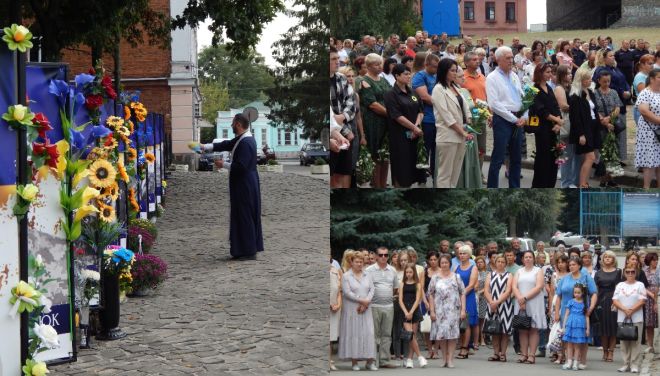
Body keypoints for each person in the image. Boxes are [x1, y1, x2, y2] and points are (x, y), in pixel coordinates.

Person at [198, 114, 263, 260]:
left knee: (244, 215)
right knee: (241, 214)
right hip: (244, 182)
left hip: (245, 183)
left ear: (238, 124)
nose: (232, 125)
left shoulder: (246, 142)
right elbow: (227, 144)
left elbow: (241, 167)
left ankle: (248, 250)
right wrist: (205, 146)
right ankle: (242, 249)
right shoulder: (243, 138)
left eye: (233, 123)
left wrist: (223, 165)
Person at [486, 46, 526, 188]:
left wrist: (525, 116)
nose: (511, 60)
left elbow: (523, 97)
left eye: (511, 57)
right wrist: (514, 119)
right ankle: (492, 187)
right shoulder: (492, 78)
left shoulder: (514, 76)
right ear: (498, 60)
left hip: (518, 119)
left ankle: (514, 187)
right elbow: (494, 104)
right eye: (507, 58)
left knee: (516, 158)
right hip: (503, 120)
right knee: (498, 157)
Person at [432, 58, 473, 187]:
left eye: (456, 70)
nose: (455, 73)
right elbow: (446, 116)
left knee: (455, 174)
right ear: (444, 71)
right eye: (452, 71)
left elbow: (465, 107)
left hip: (461, 135)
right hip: (448, 136)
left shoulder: (456, 87)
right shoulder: (438, 89)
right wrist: (463, 132)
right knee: (445, 175)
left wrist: (470, 123)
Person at [384, 64, 424, 188]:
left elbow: (421, 110)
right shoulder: (391, 94)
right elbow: (397, 116)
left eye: (409, 73)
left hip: (415, 135)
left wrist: (417, 126)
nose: (409, 76)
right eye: (405, 74)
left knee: (414, 167)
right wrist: (413, 128)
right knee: (402, 168)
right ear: (397, 76)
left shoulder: (412, 91)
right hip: (399, 136)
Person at [554, 257, 598, 369]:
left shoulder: (586, 277)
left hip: (581, 312)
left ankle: (581, 361)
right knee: (568, 337)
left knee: (581, 338)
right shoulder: (565, 278)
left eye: (573, 264)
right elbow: (558, 296)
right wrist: (556, 313)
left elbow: (594, 293)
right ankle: (569, 360)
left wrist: (591, 308)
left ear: (579, 266)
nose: (571, 266)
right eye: (570, 265)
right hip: (566, 311)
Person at [338, 252, 377, 371]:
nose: (359, 264)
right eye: (357, 262)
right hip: (352, 309)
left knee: (368, 333)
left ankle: (370, 361)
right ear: (351, 263)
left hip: (366, 309)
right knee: (354, 333)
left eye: (361, 262)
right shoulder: (346, 276)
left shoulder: (368, 274)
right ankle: (354, 362)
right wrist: (362, 301)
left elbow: (372, 289)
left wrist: (366, 302)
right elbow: (347, 292)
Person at [569, 67, 607, 188]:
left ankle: (585, 182)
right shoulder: (576, 96)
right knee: (590, 157)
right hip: (584, 129)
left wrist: (602, 123)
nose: (590, 80)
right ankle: (582, 184)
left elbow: (594, 110)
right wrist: (580, 134)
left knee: (590, 157)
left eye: (590, 78)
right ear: (580, 80)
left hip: (593, 127)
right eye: (587, 78)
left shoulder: (590, 92)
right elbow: (575, 118)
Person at [428, 254, 466, 369]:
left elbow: (462, 293)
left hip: (453, 311)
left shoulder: (456, 277)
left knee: (453, 336)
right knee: (442, 336)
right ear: (440, 264)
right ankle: (444, 358)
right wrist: (432, 311)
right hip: (440, 311)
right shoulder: (435, 277)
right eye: (442, 263)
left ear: (450, 263)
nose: (444, 264)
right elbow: (430, 294)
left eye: (446, 262)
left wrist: (463, 310)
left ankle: (450, 359)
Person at [593, 49, 632, 161]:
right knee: (608, 136)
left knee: (620, 131)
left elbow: (624, 80)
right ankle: (608, 162)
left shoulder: (615, 68)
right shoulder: (600, 70)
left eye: (614, 55)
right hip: (607, 106)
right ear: (603, 58)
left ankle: (620, 158)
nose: (613, 57)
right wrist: (621, 92)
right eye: (610, 56)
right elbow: (609, 85)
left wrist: (628, 90)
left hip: (620, 104)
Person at [359, 54, 391, 188]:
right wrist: (392, 114)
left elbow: (392, 95)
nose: (380, 66)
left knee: (385, 155)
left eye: (380, 64)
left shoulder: (384, 80)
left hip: (387, 123)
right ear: (369, 66)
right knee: (375, 154)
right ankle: (376, 185)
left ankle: (383, 185)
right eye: (377, 64)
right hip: (373, 122)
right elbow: (372, 104)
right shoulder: (364, 81)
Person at [529, 63, 563, 187]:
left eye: (550, 72)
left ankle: (550, 184)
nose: (550, 74)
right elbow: (541, 111)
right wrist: (557, 120)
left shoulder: (549, 87)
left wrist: (558, 121)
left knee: (554, 158)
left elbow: (555, 106)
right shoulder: (535, 89)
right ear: (540, 73)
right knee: (543, 159)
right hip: (542, 129)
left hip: (554, 128)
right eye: (547, 72)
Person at [365, 246, 399, 369]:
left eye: (385, 255)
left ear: (388, 256)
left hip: (389, 306)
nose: (383, 257)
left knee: (386, 335)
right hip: (374, 306)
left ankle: (384, 360)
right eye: (381, 255)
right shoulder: (369, 270)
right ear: (376, 256)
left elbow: (395, 287)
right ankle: (371, 361)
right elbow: (365, 288)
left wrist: (389, 296)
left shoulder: (392, 270)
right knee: (373, 334)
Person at [512, 250, 547, 364]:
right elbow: (514, 286)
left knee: (533, 329)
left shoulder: (538, 270)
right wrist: (520, 298)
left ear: (533, 258)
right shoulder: (519, 271)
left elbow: (539, 286)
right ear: (522, 259)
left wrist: (525, 298)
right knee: (522, 329)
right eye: (526, 257)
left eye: (530, 257)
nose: (528, 259)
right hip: (521, 302)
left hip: (534, 302)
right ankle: (523, 354)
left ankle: (532, 355)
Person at [613, 263, 648, 373]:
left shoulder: (640, 285)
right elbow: (615, 300)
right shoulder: (620, 285)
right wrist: (624, 310)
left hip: (636, 317)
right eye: (628, 272)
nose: (630, 274)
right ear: (624, 273)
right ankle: (625, 363)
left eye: (632, 272)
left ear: (636, 273)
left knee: (636, 342)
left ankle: (634, 364)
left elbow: (642, 300)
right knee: (624, 342)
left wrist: (631, 310)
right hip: (622, 317)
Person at [412, 53, 440, 185]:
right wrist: (443, 105)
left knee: (437, 151)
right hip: (427, 119)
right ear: (426, 64)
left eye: (437, 67)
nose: (436, 69)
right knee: (425, 151)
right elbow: (424, 97)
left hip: (438, 119)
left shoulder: (436, 75)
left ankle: (436, 178)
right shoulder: (420, 76)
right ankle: (421, 180)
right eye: (434, 67)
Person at [330, 47, 356, 187]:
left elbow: (351, 103)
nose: (337, 62)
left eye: (337, 59)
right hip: (329, 131)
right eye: (333, 59)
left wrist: (343, 116)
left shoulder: (342, 79)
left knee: (345, 170)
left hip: (344, 126)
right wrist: (335, 121)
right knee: (332, 172)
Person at [594, 70, 623, 187]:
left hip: (613, 125)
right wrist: (604, 121)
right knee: (604, 153)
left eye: (608, 81)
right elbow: (594, 110)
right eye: (604, 81)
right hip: (601, 126)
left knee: (614, 153)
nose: (607, 83)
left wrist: (609, 118)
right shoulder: (595, 93)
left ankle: (610, 178)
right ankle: (602, 179)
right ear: (599, 81)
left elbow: (618, 108)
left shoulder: (614, 92)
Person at [595, 250, 623, 363]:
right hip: (601, 301)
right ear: (602, 259)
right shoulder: (598, 273)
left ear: (613, 259)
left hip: (613, 301)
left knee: (612, 327)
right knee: (602, 328)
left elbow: (619, 288)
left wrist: (616, 302)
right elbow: (596, 290)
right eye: (605, 257)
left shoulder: (618, 272)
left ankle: (611, 351)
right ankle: (605, 351)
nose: (607, 258)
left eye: (609, 257)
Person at [485, 254, 514, 362]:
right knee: (494, 330)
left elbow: (508, 291)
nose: (500, 263)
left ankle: (503, 353)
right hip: (492, 305)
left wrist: (497, 302)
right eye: (498, 261)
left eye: (503, 262)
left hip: (505, 305)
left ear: (505, 263)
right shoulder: (490, 274)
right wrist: (492, 303)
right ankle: (496, 353)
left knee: (504, 331)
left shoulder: (509, 275)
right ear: (495, 263)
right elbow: (486, 290)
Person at [634, 68, 660, 188]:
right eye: (659, 77)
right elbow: (644, 111)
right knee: (649, 162)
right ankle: (647, 190)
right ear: (652, 79)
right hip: (648, 131)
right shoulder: (645, 92)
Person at [398, 263, 427, 368]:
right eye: (407, 272)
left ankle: (410, 359)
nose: (409, 274)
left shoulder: (418, 284)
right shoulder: (402, 284)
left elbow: (418, 299)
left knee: (413, 336)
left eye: (410, 272)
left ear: (414, 272)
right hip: (405, 310)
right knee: (410, 335)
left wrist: (411, 312)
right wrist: (406, 312)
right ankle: (420, 356)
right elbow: (400, 299)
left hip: (414, 310)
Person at [454, 245, 478, 359]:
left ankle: (465, 348)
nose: (461, 255)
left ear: (469, 255)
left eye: (464, 253)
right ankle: (462, 344)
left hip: (468, 298)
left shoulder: (473, 267)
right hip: (458, 298)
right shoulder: (456, 267)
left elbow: (472, 285)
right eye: (460, 253)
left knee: (466, 323)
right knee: (460, 324)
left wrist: (461, 294)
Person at [561, 284, 590, 371]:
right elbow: (566, 314)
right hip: (571, 324)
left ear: (582, 293)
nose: (576, 294)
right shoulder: (571, 302)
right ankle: (569, 362)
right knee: (569, 344)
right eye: (575, 292)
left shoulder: (585, 303)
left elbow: (587, 316)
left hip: (580, 325)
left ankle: (575, 363)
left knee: (577, 345)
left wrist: (588, 328)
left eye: (578, 292)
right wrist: (564, 326)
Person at [422, 251, 441, 359]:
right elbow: (421, 288)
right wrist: (424, 301)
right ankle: (429, 350)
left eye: (435, 259)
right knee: (427, 327)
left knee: (438, 327)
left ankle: (437, 350)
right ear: (428, 261)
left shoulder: (442, 271)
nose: (433, 261)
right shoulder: (425, 272)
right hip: (426, 302)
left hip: (439, 302)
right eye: (431, 260)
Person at [643, 253, 658, 354]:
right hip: (647, 298)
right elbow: (642, 285)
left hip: (657, 297)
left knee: (656, 322)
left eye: (656, 260)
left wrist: (656, 297)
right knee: (649, 324)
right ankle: (650, 345)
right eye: (653, 260)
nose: (655, 262)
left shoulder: (659, 271)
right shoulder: (645, 271)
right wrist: (651, 295)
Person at [632, 54, 654, 124]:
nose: (652, 65)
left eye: (653, 63)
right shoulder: (640, 77)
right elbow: (644, 94)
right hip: (642, 109)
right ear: (642, 65)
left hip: (649, 108)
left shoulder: (648, 75)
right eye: (650, 64)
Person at [330, 263, 342, 371]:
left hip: (334, 307)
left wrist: (338, 304)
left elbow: (339, 291)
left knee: (331, 337)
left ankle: (329, 360)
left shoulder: (335, 270)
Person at [476, 256, 489, 348]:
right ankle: (475, 340)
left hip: (484, 298)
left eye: (481, 262)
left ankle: (483, 339)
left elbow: (488, 286)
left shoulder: (488, 273)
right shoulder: (474, 272)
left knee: (483, 320)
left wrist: (480, 292)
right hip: (475, 298)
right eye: (478, 262)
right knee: (476, 320)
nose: (479, 263)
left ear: (484, 263)